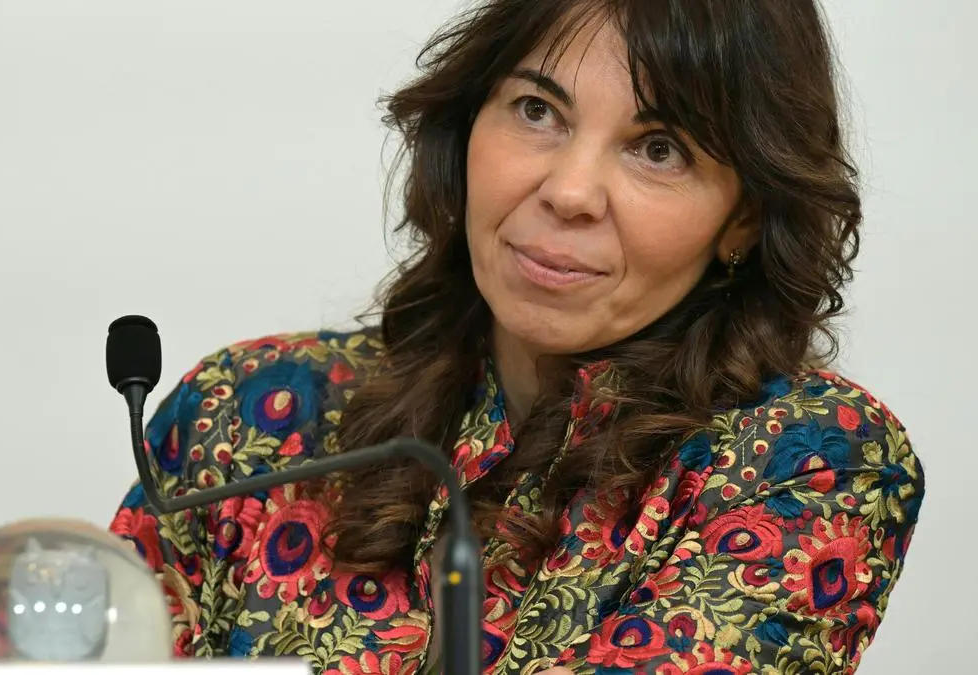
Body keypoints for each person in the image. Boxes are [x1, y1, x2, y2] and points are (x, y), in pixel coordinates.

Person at [110, 1, 925, 673]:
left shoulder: (811, 463)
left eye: (659, 150)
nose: (569, 191)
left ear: (744, 217)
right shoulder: (243, 414)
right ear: (466, 125)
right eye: (538, 111)